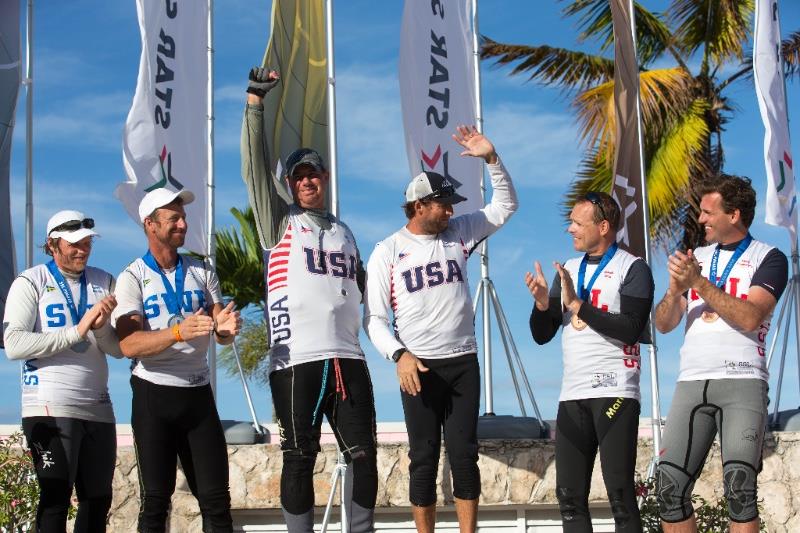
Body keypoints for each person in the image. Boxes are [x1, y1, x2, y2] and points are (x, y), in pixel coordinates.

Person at [241, 67, 378, 533]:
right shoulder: (278, 222)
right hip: (296, 360)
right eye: (298, 176)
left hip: (349, 358)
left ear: (324, 178)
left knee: (364, 455)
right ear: (290, 183)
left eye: (313, 174)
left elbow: (366, 293)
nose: (306, 182)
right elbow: (254, 169)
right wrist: (255, 104)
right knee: (299, 456)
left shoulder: (346, 232)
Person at [363, 125, 517, 533]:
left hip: (463, 361)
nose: (450, 211)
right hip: (420, 367)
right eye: (443, 205)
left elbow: (506, 206)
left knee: (465, 454)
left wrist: (492, 159)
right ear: (418, 205)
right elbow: (374, 319)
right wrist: (399, 355)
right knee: (424, 456)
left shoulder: (461, 232)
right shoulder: (387, 251)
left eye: (452, 205)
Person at [653, 175, 787, 533]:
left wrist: (697, 283)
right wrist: (673, 290)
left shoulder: (770, 258)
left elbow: (749, 316)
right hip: (692, 381)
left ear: (734, 215)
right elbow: (663, 324)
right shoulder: (695, 258)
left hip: (742, 381)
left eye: (708, 212)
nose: (701, 220)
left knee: (740, 489)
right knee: (668, 490)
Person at [113, 188, 241, 533]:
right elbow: (129, 344)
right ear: (150, 225)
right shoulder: (132, 276)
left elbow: (219, 328)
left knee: (216, 502)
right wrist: (177, 333)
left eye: (183, 217)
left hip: (198, 395)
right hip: (154, 394)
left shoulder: (201, 269)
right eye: (173, 219)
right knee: (156, 502)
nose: (183, 224)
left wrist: (227, 330)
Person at [527, 192, 653, 532]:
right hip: (572, 395)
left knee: (620, 496)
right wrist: (542, 305)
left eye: (577, 223)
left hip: (615, 392)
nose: (570, 230)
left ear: (604, 226)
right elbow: (542, 335)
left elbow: (631, 329)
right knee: (568, 498)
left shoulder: (633, 267)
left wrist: (580, 306)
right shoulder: (567, 269)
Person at [3, 210, 121, 532]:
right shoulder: (31, 281)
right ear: (53, 245)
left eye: (86, 243)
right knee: (55, 497)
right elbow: (13, 344)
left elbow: (116, 348)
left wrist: (99, 330)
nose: (82, 249)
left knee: (98, 499)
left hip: (98, 408)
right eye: (74, 244)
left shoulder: (105, 281)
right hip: (48, 407)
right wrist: (78, 330)